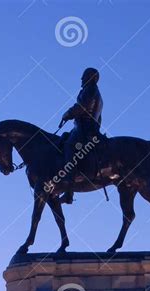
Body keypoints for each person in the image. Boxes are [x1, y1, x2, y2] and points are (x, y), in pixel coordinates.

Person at [58, 67, 103, 204]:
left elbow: (81, 107)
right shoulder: (94, 91)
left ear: (92, 78)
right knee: (64, 139)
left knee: (70, 147)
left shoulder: (90, 90)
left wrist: (67, 114)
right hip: (85, 128)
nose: (82, 79)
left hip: (85, 129)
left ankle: (69, 192)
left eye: (84, 77)